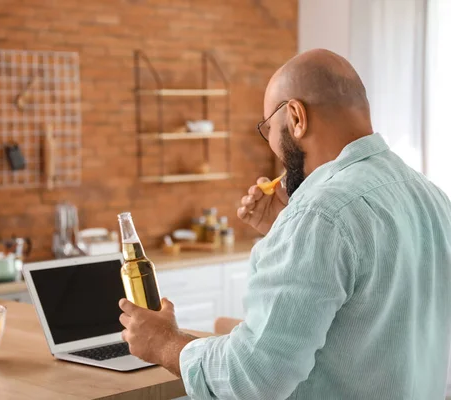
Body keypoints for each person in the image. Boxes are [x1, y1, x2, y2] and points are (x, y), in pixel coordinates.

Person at [118, 48, 451, 399]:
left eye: (268, 129)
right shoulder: (430, 196)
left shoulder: (319, 213)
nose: (274, 146)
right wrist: (284, 231)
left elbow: (252, 378)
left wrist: (164, 342)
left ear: (296, 116)